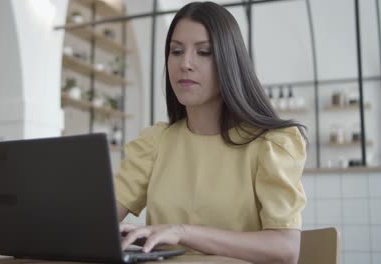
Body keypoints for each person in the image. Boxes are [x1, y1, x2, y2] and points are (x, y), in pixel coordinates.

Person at [115, 2, 307, 264]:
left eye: (204, 52)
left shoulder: (271, 143)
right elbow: (97, 223)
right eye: (176, 51)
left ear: (230, 61)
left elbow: (286, 249)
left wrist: (183, 233)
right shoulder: (155, 142)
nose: (185, 63)